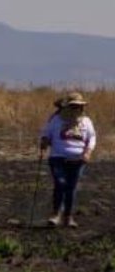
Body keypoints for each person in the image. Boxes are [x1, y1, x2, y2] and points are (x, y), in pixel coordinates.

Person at [39, 91, 96, 228]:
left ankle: (68, 217)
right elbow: (46, 133)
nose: (77, 109)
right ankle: (55, 214)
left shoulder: (86, 121)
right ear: (67, 107)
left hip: (78, 160)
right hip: (58, 157)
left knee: (71, 188)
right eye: (74, 106)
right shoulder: (56, 119)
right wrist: (44, 142)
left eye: (79, 106)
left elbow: (92, 138)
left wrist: (88, 152)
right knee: (60, 182)